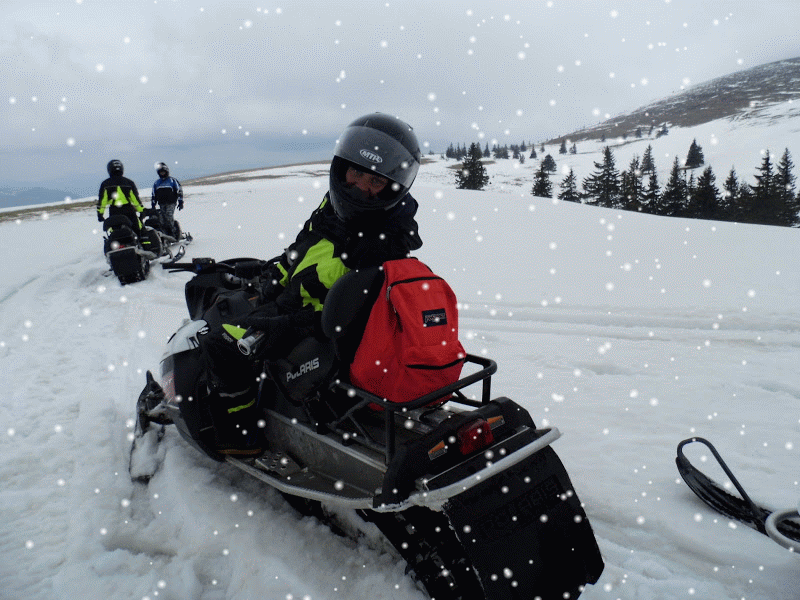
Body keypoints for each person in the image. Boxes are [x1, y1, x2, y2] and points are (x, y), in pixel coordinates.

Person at [198, 113, 423, 454]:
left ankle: (238, 436)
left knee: (220, 344)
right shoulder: (332, 209)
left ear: (393, 187)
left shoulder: (381, 244)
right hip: (290, 307)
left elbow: (344, 316)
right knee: (226, 302)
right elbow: (302, 251)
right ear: (342, 168)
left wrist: (280, 323)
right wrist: (271, 276)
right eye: (357, 172)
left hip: (312, 329)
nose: (360, 186)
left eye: (375, 182)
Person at [97, 159, 145, 235]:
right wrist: (141, 210)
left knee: (115, 232)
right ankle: (142, 244)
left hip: (114, 211)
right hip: (128, 210)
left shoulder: (105, 184)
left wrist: (100, 214)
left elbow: (102, 201)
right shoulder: (129, 182)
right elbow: (135, 199)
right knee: (138, 230)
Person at [151, 162, 183, 238]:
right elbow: (153, 194)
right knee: (162, 218)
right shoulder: (157, 183)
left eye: (163, 172)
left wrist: (180, 201)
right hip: (161, 203)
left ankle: (172, 231)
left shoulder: (172, 181)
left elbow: (179, 191)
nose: (162, 173)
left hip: (171, 202)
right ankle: (165, 232)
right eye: (161, 172)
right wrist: (153, 204)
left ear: (166, 171)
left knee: (168, 216)